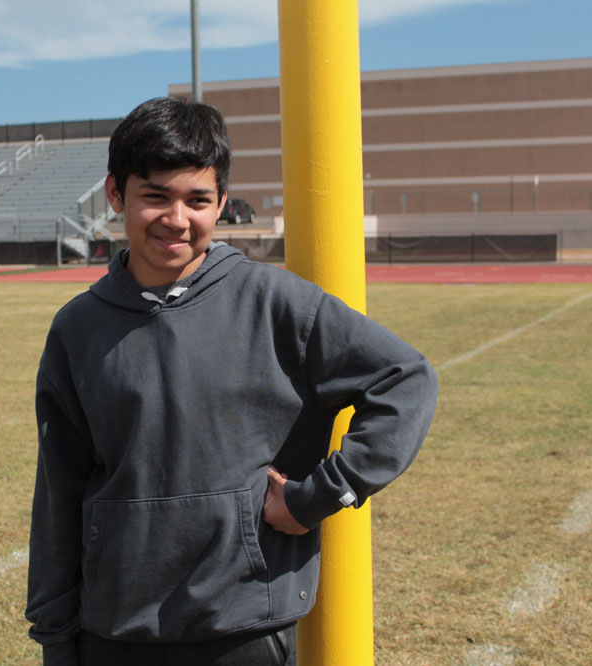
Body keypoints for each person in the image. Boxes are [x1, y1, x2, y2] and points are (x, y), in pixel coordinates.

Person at [26, 96, 438, 666]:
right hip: (115, 632)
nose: (177, 219)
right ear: (116, 194)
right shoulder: (78, 328)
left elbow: (405, 379)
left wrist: (317, 496)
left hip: (245, 627)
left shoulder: (278, 303)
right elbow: (59, 493)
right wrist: (55, 637)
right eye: (155, 196)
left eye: (197, 199)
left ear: (221, 203)